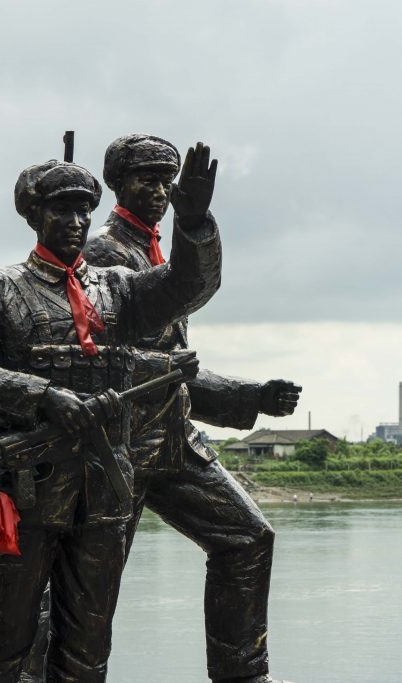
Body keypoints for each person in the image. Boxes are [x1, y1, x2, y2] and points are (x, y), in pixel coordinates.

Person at [0, 144, 222, 682]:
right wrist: (40, 395)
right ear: (34, 216)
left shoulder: (119, 287)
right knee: (4, 635)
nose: (74, 223)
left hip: (104, 485)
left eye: (82, 212)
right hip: (30, 484)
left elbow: (188, 287)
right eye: (60, 211)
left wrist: (193, 222)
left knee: (89, 642)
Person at [87, 133, 300, 683]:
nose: (159, 190)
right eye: (146, 179)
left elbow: (173, 365)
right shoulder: (101, 256)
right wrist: (195, 226)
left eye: (167, 179)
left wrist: (249, 396)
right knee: (90, 585)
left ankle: (242, 673)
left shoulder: (156, 245)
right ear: (117, 184)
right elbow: (170, 317)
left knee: (248, 538)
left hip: (175, 441)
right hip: (119, 445)